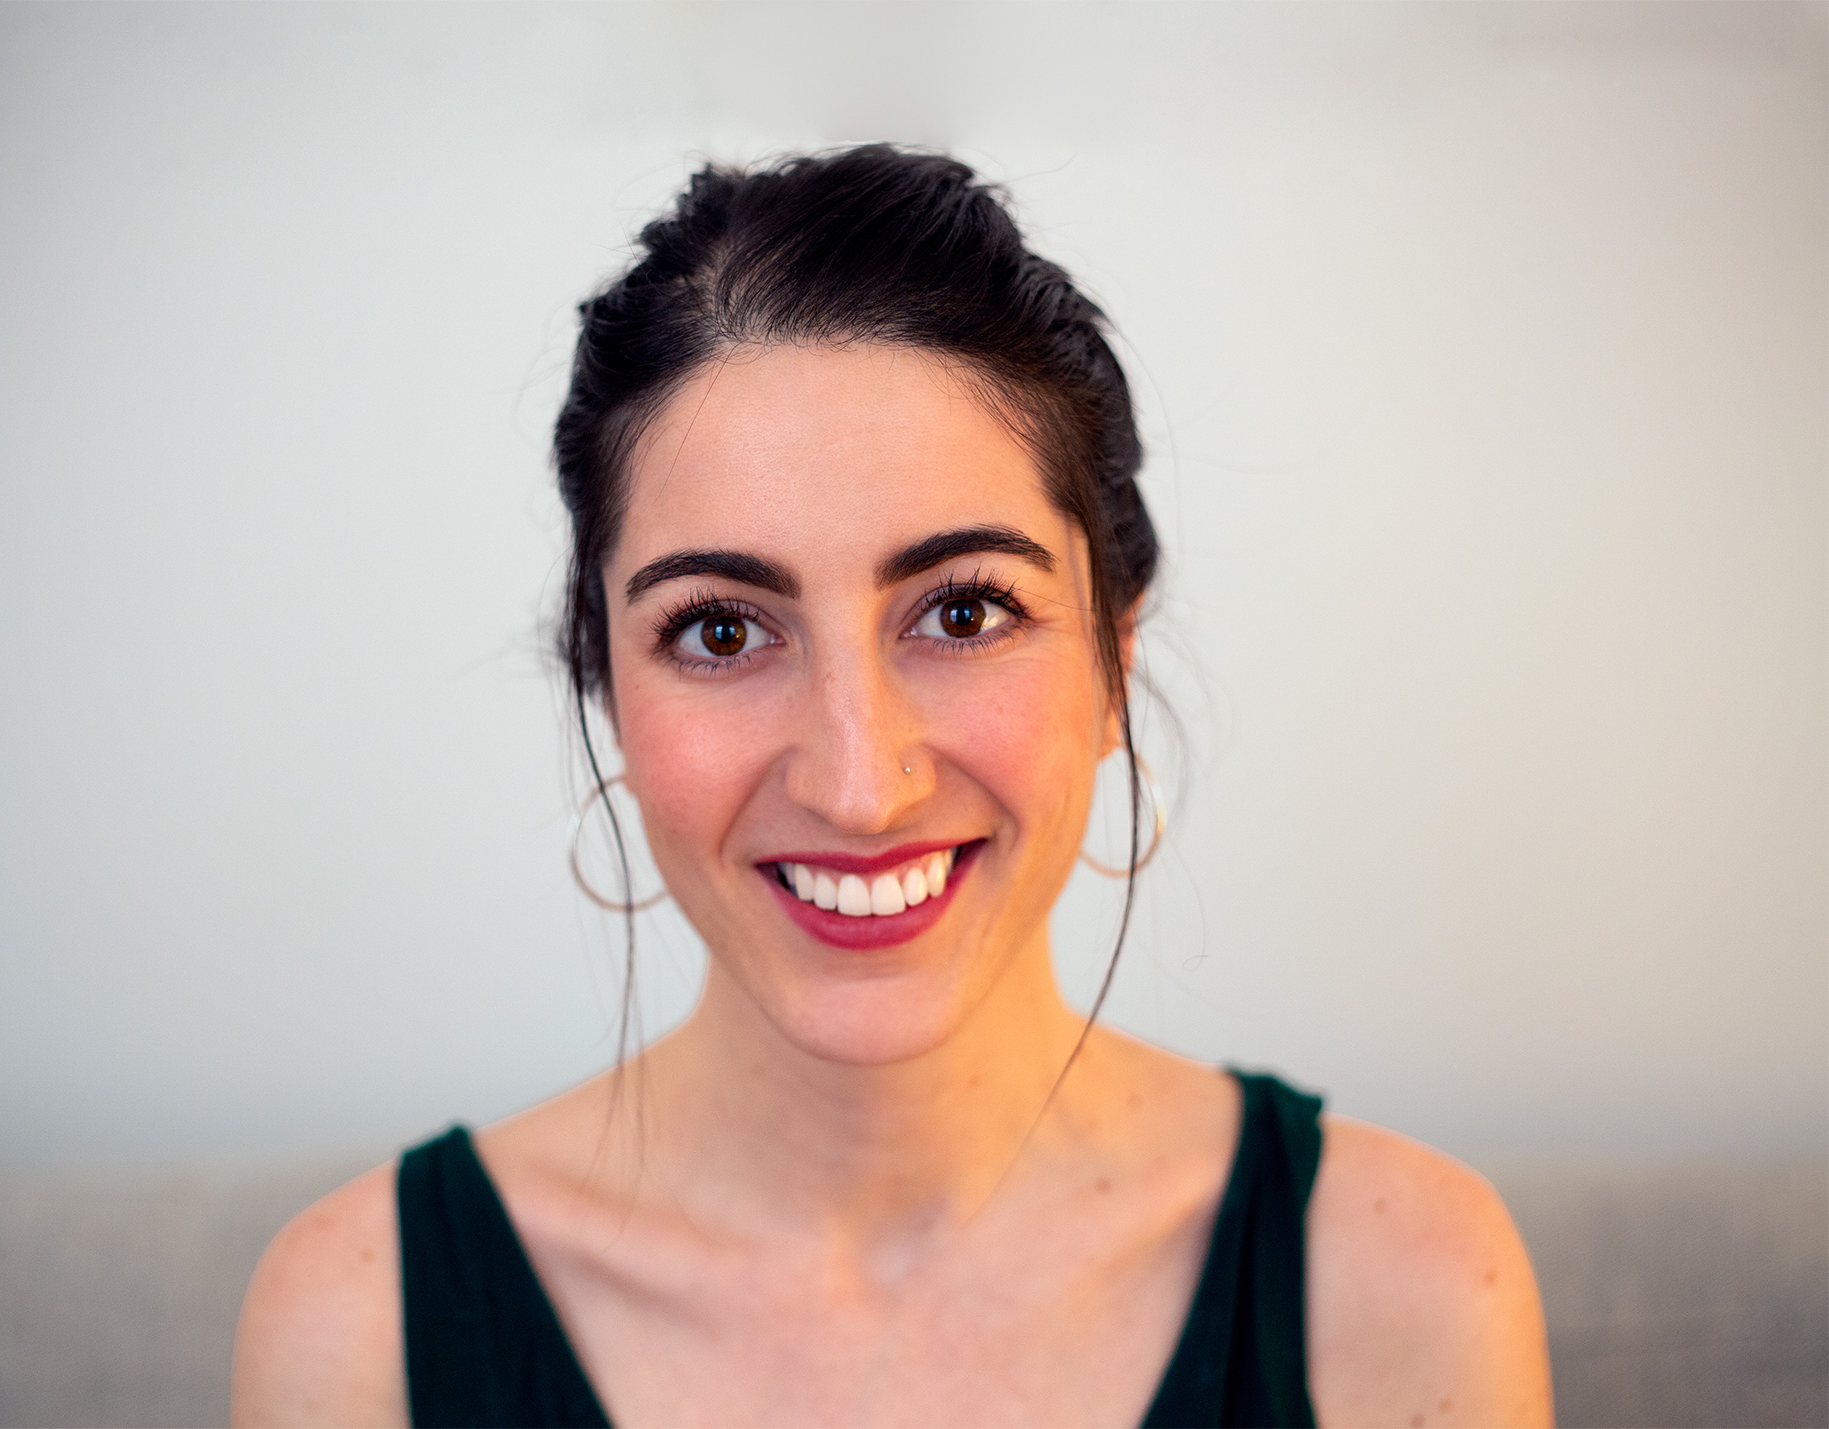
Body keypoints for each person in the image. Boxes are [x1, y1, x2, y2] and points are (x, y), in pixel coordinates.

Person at [231, 145, 1552, 1428]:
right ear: (605, 684)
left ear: (1112, 656)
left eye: (965, 611)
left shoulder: (1406, 1288)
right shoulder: (363, 1330)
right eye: (724, 630)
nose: (861, 786)